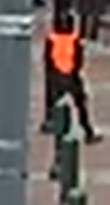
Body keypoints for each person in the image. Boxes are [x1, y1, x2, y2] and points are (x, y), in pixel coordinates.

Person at [43, 13, 102, 143]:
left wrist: (52, 74)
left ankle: (50, 122)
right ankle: (88, 132)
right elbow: (79, 60)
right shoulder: (74, 39)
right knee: (81, 105)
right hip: (71, 76)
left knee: (53, 104)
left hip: (55, 76)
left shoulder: (52, 39)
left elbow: (47, 60)